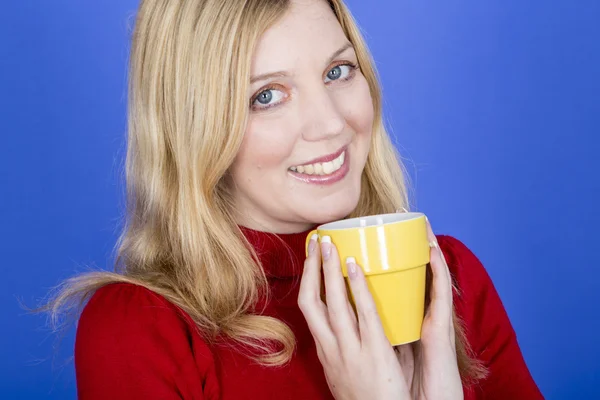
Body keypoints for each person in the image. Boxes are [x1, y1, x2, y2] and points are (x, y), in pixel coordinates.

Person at [46, 0, 544, 398]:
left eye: (338, 72)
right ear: (196, 128)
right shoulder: (142, 331)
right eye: (267, 96)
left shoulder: (449, 279)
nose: (330, 123)